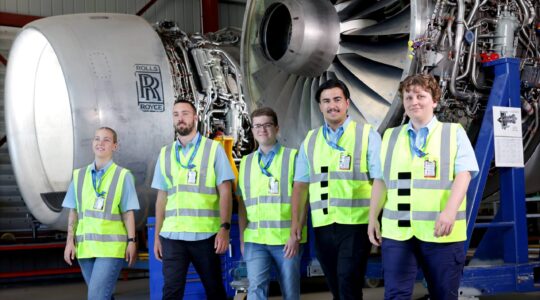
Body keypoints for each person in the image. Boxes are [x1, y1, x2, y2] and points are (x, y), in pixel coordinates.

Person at [368, 74, 479, 300]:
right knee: (395, 295)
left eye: (421, 96)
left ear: (434, 101)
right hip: (398, 233)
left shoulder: (453, 133)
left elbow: (464, 175)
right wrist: (373, 218)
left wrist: (449, 213)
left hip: (441, 232)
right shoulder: (390, 136)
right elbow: (380, 180)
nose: (414, 101)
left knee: (443, 295)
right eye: (408, 97)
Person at [290, 79, 383, 299]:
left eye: (337, 99)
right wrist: (297, 223)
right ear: (320, 106)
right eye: (326, 101)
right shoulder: (310, 140)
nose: (332, 105)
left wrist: (374, 219)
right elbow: (301, 186)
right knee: (336, 285)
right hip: (322, 226)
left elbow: (380, 179)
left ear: (347, 103)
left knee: (347, 280)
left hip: (356, 224)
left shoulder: (367, 135)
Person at [152, 100, 234, 300]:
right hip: (172, 236)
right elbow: (162, 197)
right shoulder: (165, 153)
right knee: (171, 292)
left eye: (185, 113)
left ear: (195, 117)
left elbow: (225, 191)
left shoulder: (213, 149)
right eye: (176, 114)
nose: (180, 118)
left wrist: (224, 228)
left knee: (214, 289)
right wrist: (157, 236)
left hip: (205, 236)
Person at [237, 107, 306, 300]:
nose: (262, 129)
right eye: (257, 126)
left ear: (277, 128)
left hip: (286, 240)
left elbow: (302, 199)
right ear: (252, 130)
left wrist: (295, 233)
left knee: (290, 293)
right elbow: (242, 204)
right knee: (255, 290)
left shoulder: (293, 157)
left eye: (267, 125)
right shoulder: (246, 162)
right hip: (255, 241)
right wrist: (243, 239)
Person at [63, 127, 139, 300]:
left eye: (106, 139)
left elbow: (128, 213)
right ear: (92, 144)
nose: (100, 143)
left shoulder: (123, 176)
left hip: (111, 248)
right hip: (85, 247)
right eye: (97, 139)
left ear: (114, 146)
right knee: (102, 295)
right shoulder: (79, 175)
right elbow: (73, 211)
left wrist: (132, 242)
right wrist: (69, 241)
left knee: (96, 296)